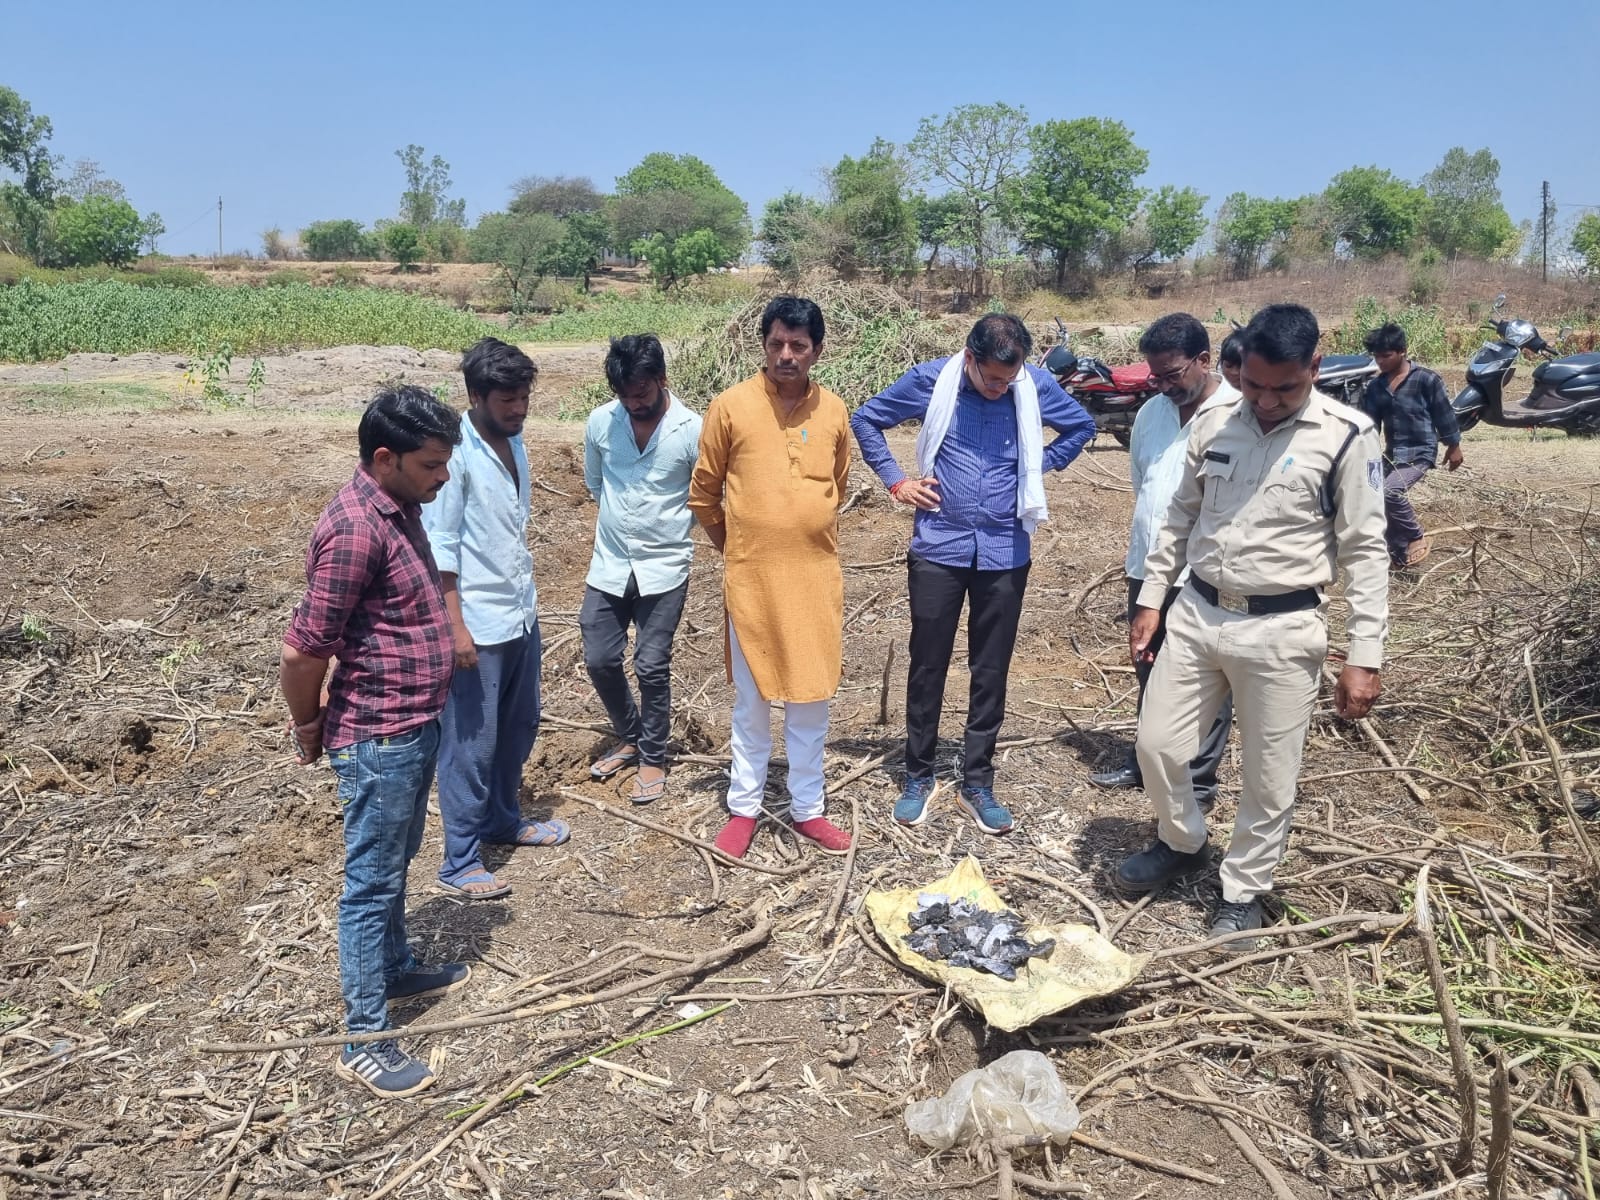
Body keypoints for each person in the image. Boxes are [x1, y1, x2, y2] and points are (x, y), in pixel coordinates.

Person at [1114, 304, 1388, 946]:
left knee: (1269, 776)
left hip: (1283, 628)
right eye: (1254, 385)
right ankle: (1183, 839)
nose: (1265, 400)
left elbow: (1366, 549)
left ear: (1315, 367)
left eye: (1283, 388)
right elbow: (1180, 516)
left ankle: (1244, 889)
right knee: (1156, 745)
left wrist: (1364, 652)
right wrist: (1153, 599)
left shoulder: (1347, 436)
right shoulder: (1216, 422)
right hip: (1198, 612)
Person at [280, 386, 468, 1098]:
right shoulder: (357, 528)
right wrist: (307, 725)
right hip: (379, 734)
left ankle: (392, 970)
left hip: (412, 723)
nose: (442, 476)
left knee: (395, 860)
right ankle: (363, 1038)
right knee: (370, 884)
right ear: (384, 458)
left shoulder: (400, 507)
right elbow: (303, 653)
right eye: (430, 464)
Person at [851, 313, 1095, 834]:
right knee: (928, 663)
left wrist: (1036, 469)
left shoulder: (1034, 385)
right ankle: (919, 775)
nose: (1001, 389)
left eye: (1010, 380)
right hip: (940, 544)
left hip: (1007, 550)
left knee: (991, 668)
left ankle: (977, 780)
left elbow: (1081, 426)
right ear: (969, 359)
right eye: (991, 379)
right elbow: (866, 420)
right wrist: (897, 482)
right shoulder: (929, 381)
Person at [688, 295, 854, 858]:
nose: (786, 354)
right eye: (777, 343)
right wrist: (740, 551)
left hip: (814, 581)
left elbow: (838, 484)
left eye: (799, 346)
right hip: (752, 582)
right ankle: (744, 808)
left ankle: (809, 809)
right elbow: (704, 495)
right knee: (752, 703)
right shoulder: (729, 406)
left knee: (811, 701)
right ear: (763, 344)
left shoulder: (833, 411)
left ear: (817, 351)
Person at [422, 338, 567, 904]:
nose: (520, 408)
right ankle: (459, 859)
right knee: (469, 744)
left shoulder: (513, 442)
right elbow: (442, 548)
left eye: (525, 397)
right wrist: (455, 628)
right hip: (476, 624)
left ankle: (503, 819)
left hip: (518, 611)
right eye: (508, 399)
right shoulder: (453, 457)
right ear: (476, 396)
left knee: (520, 726)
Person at [1090, 313, 1237, 804]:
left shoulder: (1240, 414)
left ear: (1203, 360)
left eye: (1173, 374)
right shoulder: (1151, 413)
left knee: (1209, 677)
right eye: (1155, 375)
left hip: (1207, 571)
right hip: (1149, 565)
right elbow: (1144, 483)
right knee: (1149, 663)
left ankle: (1197, 780)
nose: (1163, 384)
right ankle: (1146, 761)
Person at [581, 334, 703, 803]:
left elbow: (704, 493)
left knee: (651, 665)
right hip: (610, 563)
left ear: (661, 380)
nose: (635, 404)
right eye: (626, 397)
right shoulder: (600, 423)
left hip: (665, 565)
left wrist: (666, 530)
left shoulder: (692, 429)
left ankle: (653, 756)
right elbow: (595, 481)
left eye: (643, 395)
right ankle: (629, 734)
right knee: (599, 658)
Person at [1359, 322, 1463, 569]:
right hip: (1392, 454)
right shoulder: (1375, 387)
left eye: (1386, 356)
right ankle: (1397, 550)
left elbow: (1443, 414)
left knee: (1390, 491)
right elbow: (1369, 426)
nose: (1380, 362)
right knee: (1369, 493)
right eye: (1376, 357)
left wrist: (1453, 445)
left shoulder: (1426, 379)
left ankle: (1416, 535)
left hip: (1420, 452)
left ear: (1402, 351)